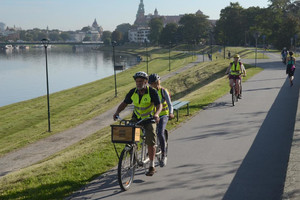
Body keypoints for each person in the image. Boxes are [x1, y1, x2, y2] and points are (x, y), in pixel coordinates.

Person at [113, 71, 162, 176]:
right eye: (137, 81)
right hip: (137, 118)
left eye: (141, 81)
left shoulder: (152, 92)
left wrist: (157, 114)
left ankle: (152, 165)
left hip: (149, 119)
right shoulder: (133, 92)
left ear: (146, 81)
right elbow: (124, 103)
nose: (138, 83)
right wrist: (117, 112)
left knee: (150, 140)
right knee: (129, 135)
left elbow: (159, 105)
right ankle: (132, 151)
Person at [148, 73, 174, 167]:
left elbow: (170, 104)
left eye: (154, 83)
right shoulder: (149, 92)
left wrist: (171, 113)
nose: (153, 85)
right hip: (153, 116)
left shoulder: (163, 91)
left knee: (160, 132)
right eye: (151, 84)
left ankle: (164, 154)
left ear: (158, 82)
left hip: (163, 115)